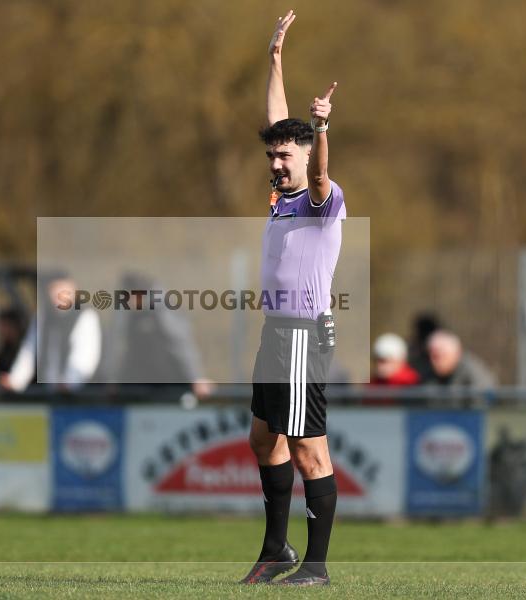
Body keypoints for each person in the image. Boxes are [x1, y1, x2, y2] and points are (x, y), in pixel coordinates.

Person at [241, 11, 343, 587]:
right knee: (263, 439)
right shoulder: (282, 196)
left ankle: (318, 566)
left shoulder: (321, 200)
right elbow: (279, 121)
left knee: (308, 450)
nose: (277, 164)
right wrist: (275, 57)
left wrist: (321, 128)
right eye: (272, 157)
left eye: (286, 157)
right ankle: (275, 548)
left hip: (305, 335)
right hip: (276, 334)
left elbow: (320, 172)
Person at [108, 272, 212, 398]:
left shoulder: (164, 312)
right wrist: (112, 379)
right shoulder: (126, 314)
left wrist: (196, 378)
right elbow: (115, 345)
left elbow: (181, 344)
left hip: (170, 385)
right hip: (137, 384)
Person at [3, 271, 100, 392]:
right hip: (47, 393)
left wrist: (70, 382)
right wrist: (15, 381)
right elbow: (29, 351)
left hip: (79, 397)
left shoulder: (86, 316)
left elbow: (85, 356)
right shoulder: (42, 318)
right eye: (53, 289)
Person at [422, 330, 497, 390]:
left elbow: (481, 405)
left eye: (439, 356)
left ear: (456, 353)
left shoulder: (474, 376)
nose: (433, 361)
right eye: (431, 356)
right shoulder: (428, 376)